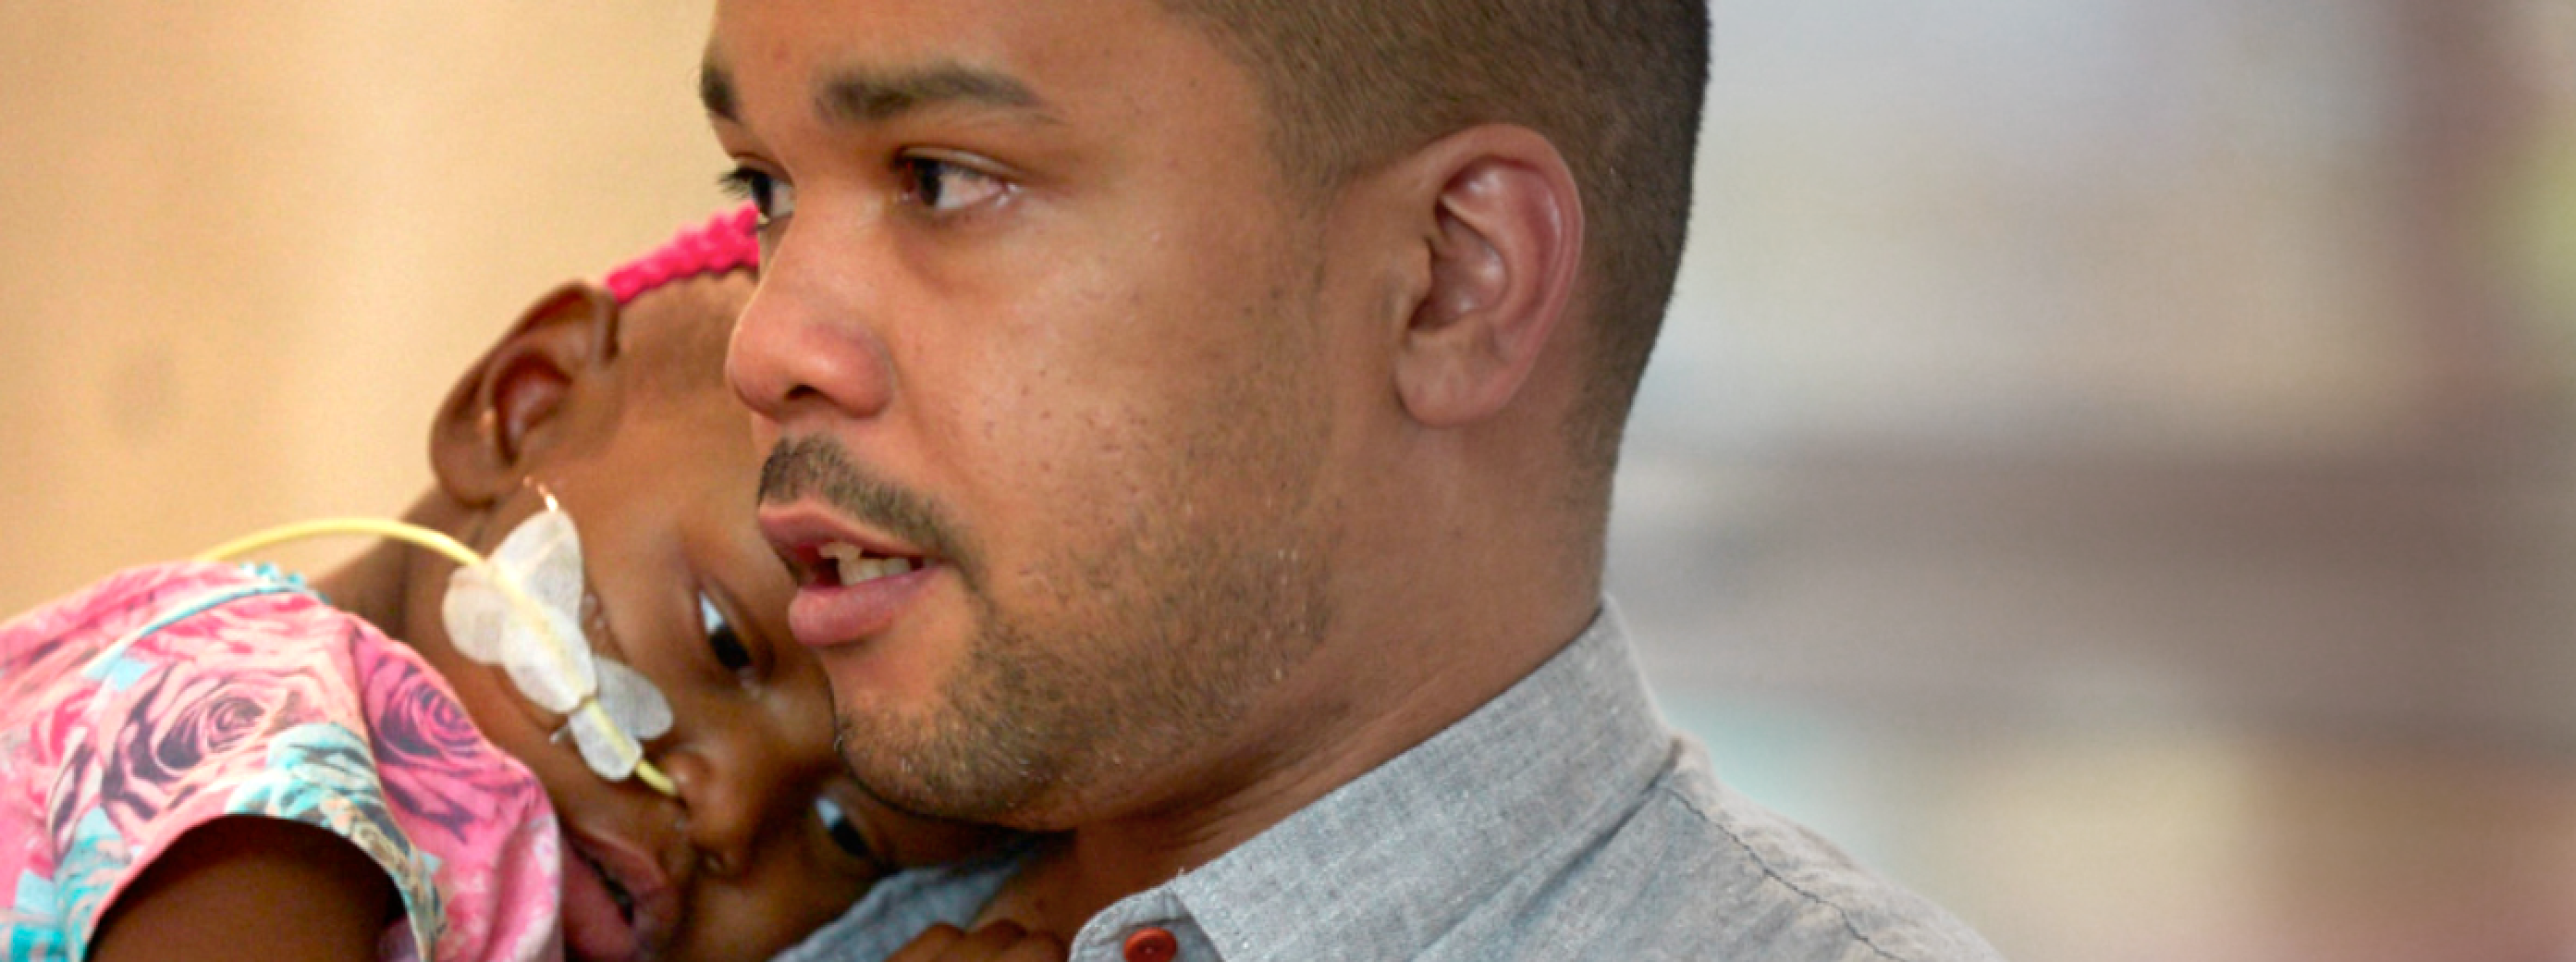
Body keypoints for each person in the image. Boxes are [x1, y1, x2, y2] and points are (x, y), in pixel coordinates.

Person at [698, 1, 2004, 960]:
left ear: (1449, 280)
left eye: (943, 179)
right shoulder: (693, 910)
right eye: (766, 190)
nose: (763, 345)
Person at [0, 208, 1004, 962]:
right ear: (522, 405)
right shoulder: (259, 732)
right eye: (724, 639)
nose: (726, 815)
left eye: (845, 834)